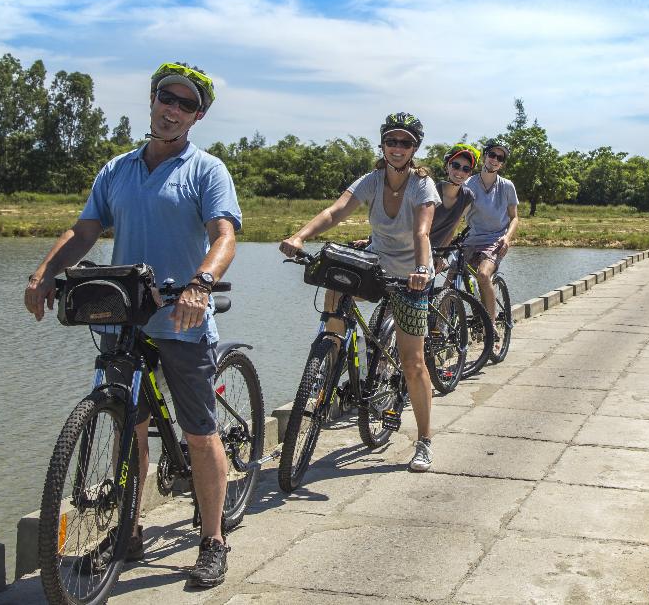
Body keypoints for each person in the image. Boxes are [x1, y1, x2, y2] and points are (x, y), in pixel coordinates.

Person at [23, 61, 241, 588]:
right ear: (152, 99)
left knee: (198, 433)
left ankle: (213, 539)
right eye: (167, 97)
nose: (172, 109)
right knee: (128, 428)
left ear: (198, 115)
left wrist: (200, 285)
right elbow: (83, 232)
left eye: (185, 104)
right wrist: (44, 272)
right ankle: (130, 528)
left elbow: (224, 236)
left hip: (182, 318)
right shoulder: (117, 169)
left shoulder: (205, 170)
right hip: (125, 318)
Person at [279, 112, 441, 473]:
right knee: (335, 278)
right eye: (391, 141)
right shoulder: (371, 179)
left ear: (414, 148)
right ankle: (329, 353)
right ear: (382, 144)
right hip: (375, 266)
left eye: (405, 143)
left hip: (411, 276)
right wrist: (299, 237)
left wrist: (422, 269)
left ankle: (425, 441)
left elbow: (422, 233)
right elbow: (336, 211)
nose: (397, 148)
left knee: (413, 363)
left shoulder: (422, 185)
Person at [463, 140, 519, 324]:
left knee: (483, 275)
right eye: (492, 155)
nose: (495, 160)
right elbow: (457, 216)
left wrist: (507, 238)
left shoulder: (507, 186)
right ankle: (438, 330)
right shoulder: (469, 183)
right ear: (485, 156)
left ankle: (491, 326)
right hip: (471, 239)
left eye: (500, 157)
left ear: (502, 163)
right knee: (450, 277)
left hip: (495, 240)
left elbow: (514, 218)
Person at [430, 143, 479, 252]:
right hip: (414, 249)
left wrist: (441, 254)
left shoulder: (468, 197)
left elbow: (451, 230)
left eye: (466, 169)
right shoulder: (431, 190)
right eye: (456, 166)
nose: (460, 172)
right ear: (447, 166)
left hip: (435, 252)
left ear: (469, 174)